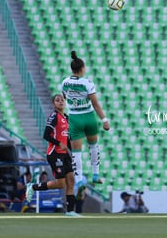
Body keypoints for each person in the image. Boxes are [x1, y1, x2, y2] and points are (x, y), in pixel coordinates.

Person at [61, 50, 110, 192]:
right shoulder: (87, 83)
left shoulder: (65, 82)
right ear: (82, 68)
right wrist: (104, 120)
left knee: (76, 152)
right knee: (93, 146)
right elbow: (95, 104)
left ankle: (79, 179)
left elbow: (65, 97)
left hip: (75, 118)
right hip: (88, 116)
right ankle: (95, 174)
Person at [26, 94, 80, 216]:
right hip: (55, 154)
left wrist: (72, 153)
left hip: (65, 154)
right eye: (57, 100)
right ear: (53, 104)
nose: (60, 102)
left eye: (62, 100)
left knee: (71, 180)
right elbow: (46, 135)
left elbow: (67, 138)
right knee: (60, 184)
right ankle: (33, 187)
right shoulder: (53, 116)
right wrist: (58, 143)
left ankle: (70, 211)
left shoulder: (66, 117)